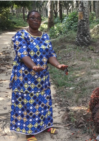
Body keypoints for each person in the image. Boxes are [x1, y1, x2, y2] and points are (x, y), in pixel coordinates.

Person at [9, 10, 68, 141]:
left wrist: (58, 65)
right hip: (24, 77)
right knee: (28, 103)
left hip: (42, 77)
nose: (36, 20)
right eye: (33, 18)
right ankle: (29, 132)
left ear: (41, 21)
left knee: (43, 101)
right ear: (28, 19)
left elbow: (50, 54)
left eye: (38, 18)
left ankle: (45, 125)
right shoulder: (21, 35)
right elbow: (23, 53)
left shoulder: (45, 36)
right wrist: (33, 66)